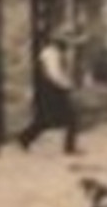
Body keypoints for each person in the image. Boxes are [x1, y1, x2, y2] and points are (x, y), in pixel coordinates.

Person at [18, 26, 84, 154]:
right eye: (65, 42)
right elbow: (54, 74)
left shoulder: (54, 53)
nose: (67, 45)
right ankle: (68, 148)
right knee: (68, 118)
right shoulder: (50, 54)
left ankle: (25, 138)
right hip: (51, 91)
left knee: (47, 120)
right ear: (58, 42)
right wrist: (68, 85)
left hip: (50, 90)